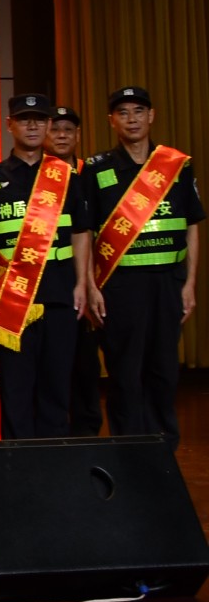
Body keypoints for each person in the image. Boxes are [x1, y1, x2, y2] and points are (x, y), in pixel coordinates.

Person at [85, 86, 203, 449]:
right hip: (120, 285)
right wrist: (90, 285)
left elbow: (192, 226)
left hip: (168, 282)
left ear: (151, 116)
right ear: (111, 121)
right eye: (123, 113)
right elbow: (85, 233)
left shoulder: (176, 165)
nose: (132, 119)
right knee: (124, 369)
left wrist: (190, 284)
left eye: (138, 111)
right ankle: (128, 446)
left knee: (163, 368)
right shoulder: (97, 168)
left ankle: (163, 445)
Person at [0, 94, 91, 440]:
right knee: (16, 387)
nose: (32, 126)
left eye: (39, 120)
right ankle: (17, 458)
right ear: (9, 125)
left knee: (56, 385)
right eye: (24, 119)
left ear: (49, 126)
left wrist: (82, 283)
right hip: (11, 298)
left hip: (60, 294)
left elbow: (81, 233)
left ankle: (54, 457)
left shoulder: (66, 177)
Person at [49, 105, 103, 437]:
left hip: (94, 280)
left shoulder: (91, 174)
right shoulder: (33, 176)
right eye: (55, 129)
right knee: (56, 365)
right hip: (55, 284)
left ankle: (87, 433)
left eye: (68, 130)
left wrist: (92, 281)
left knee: (86, 363)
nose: (61, 136)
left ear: (78, 135)